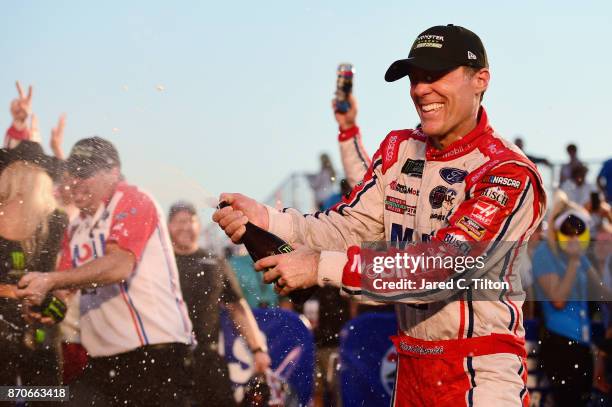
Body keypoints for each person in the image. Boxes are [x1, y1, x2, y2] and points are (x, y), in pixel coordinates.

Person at [213, 24, 546, 406]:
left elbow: (443, 269)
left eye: (436, 75)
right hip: (412, 367)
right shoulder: (399, 148)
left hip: (481, 373)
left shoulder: (507, 171)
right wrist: (267, 219)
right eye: (416, 78)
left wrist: (321, 265)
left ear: (480, 80)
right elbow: (347, 227)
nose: (421, 90)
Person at [16, 137, 195, 406]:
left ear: (113, 173)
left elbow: (119, 266)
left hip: (155, 357)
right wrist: (42, 304)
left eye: (84, 173)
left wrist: (50, 279)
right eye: (72, 172)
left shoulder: (133, 199)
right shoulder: (75, 227)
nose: (75, 180)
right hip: (102, 363)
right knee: (49, 398)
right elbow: (63, 291)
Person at [167, 201, 271, 407]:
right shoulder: (161, 262)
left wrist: (258, 349)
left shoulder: (214, 262)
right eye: (179, 221)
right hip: (168, 358)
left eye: (190, 221)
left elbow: (237, 308)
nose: (185, 227)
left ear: (199, 225)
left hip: (208, 356)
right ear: (168, 226)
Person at [0, 141, 67, 398]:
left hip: (37, 327)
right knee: (42, 394)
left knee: (44, 394)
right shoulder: (56, 218)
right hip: (32, 326)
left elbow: (61, 276)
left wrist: (56, 302)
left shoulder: (56, 220)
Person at [532, 195, 597, 407]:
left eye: (578, 229)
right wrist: (574, 261)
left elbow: (602, 292)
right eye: (568, 229)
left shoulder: (579, 253)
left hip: (583, 343)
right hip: (559, 343)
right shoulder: (544, 253)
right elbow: (558, 300)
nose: (573, 235)